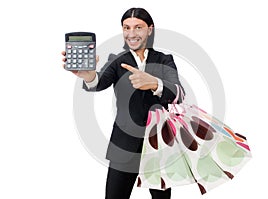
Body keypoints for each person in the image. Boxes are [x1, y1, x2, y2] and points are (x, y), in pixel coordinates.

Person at [62, 7, 183, 199]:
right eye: (126, 28)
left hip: (158, 146)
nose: (131, 33)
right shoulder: (117, 60)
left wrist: (154, 83)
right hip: (124, 145)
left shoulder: (164, 60)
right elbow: (99, 82)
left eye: (138, 27)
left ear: (150, 29)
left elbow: (179, 93)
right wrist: (88, 76)